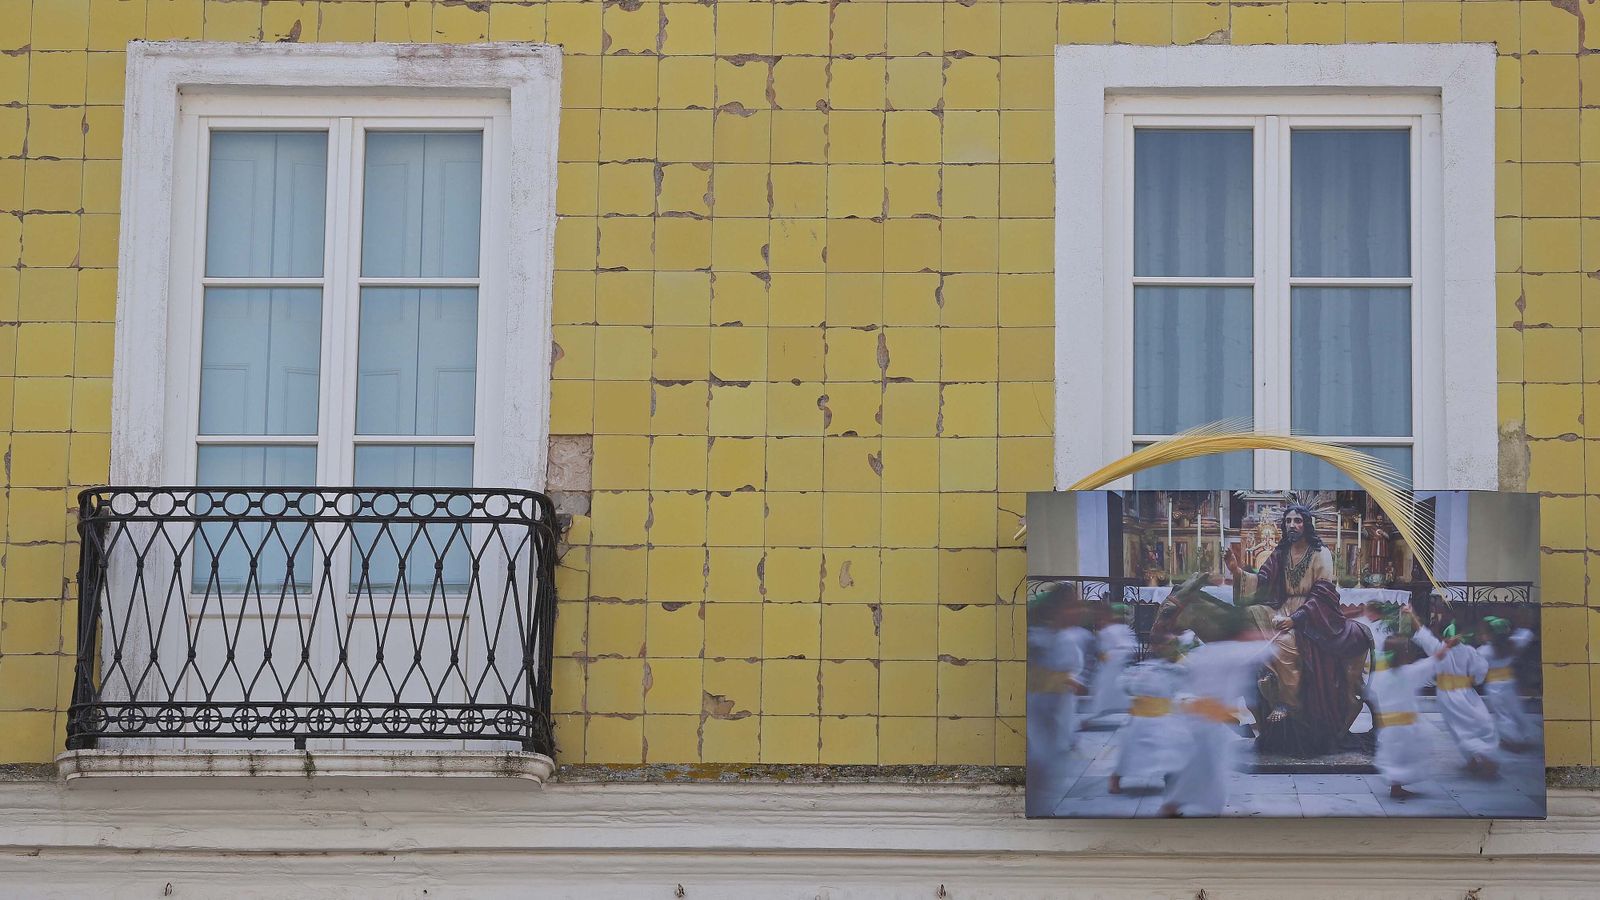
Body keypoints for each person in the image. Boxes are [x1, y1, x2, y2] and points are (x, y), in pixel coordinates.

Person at [1225, 504, 1371, 755]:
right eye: (1289, 521)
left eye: (1298, 521)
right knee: (1251, 617)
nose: (1292, 525)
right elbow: (1262, 582)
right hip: (1283, 608)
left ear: (1307, 524)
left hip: (1315, 613)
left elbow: (1324, 592)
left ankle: (1287, 703)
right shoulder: (1281, 553)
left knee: (1283, 643)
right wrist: (1236, 571)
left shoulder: (1320, 553)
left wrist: (1296, 619)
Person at [1158, 610, 1275, 817]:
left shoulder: (1206, 650)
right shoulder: (1231, 651)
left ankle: (1177, 804)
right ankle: (1179, 806)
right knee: (1209, 769)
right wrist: (1268, 634)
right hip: (1209, 721)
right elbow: (1267, 649)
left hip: (1198, 717)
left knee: (1204, 766)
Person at [1412, 601, 1499, 777]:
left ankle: (1479, 758)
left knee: (1458, 728)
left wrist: (1411, 613)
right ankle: (1478, 758)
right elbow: (1480, 670)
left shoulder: (1438, 650)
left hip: (1447, 696)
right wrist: (1473, 680)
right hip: (1467, 693)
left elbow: (1423, 634)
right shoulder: (1469, 651)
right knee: (1478, 721)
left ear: (1444, 638)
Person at [1371, 606, 1446, 799]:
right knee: (1411, 755)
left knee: (1395, 757)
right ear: (1405, 655)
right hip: (1408, 727)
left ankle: (1396, 786)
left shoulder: (1379, 676)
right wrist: (1414, 618)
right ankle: (1398, 787)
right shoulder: (1410, 673)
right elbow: (1438, 657)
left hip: (1388, 727)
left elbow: (1373, 696)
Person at [1107, 633, 1187, 795]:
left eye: (1173, 644)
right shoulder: (1144, 668)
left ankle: (1171, 779)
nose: (1170, 648)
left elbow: (1183, 688)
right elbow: (1125, 684)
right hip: (1141, 719)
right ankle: (1116, 777)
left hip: (1165, 717)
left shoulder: (1177, 668)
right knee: (1130, 753)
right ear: (1156, 647)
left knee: (1171, 751)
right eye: (1166, 644)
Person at [1026, 585, 1091, 773]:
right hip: (1039, 711)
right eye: (1072, 606)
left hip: (1055, 711)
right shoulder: (1037, 638)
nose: (1080, 611)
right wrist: (1068, 682)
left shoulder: (1064, 638)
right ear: (1055, 610)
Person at [1477, 616, 1539, 752]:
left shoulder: (1484, 651)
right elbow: (1527, 634)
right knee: (1517, 711)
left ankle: (1513, 741)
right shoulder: (1514, 643)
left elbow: (1475, 669)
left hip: (1494, 686)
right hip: (1510, 682)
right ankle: (1528, 736)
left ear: (1490, 634)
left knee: (1503, 714)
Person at [1085, 603, 1137, 721]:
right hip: (1108, 670)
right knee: (1106, 694)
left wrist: (1109, 656)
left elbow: (1126, 648)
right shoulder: (1107, 631)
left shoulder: (1116, 630)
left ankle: (1094, 717)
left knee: (1111, 693)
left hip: (1114, 669)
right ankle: (1096, 715)